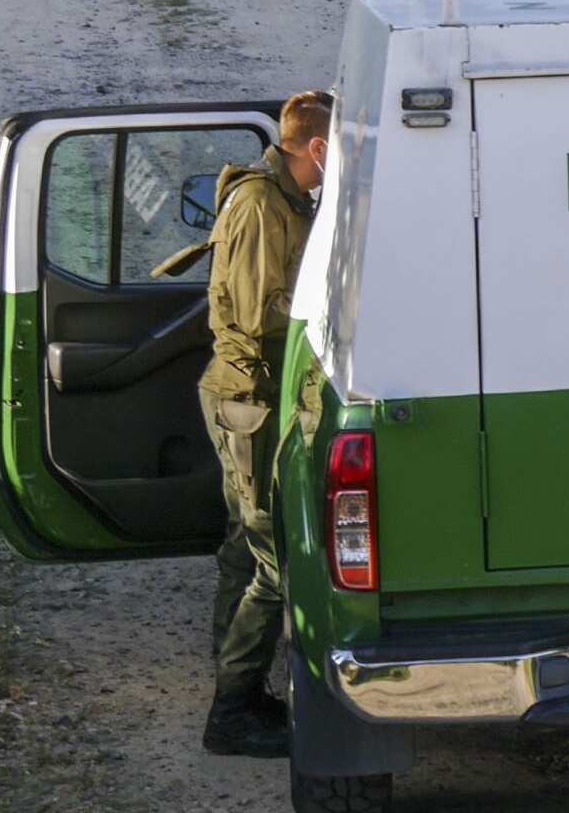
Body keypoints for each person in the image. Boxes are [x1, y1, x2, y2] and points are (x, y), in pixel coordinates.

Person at [197, 89, 331, 758]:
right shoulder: (258, 205)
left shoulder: (285, 200)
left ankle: (239, 692)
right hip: (250, 399)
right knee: (274, 560)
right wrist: (332, 314)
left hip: (253, 397)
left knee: (241, 552)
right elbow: (258, 318)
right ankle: (231, 712)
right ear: (317, 147)